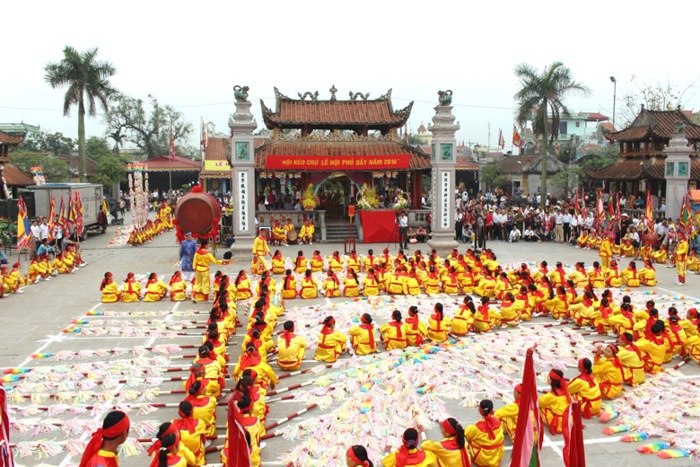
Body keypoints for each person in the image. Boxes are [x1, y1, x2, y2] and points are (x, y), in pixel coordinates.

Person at [464, 399, 505, 467]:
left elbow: (467, 435)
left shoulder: (476, 428)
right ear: (492, 410)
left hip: (484, 458)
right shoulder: (497, 421)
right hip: (497, 455)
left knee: (469, 440)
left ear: (480, 411)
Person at [171, 401, 207, 466]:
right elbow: (203, 438)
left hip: (182, 457)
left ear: (179, 412)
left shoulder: (173, 423)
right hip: (196, 456)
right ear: (192, 411)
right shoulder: (199, 423)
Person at [539, 369, 571, 435]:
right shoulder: (565, 390)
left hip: (560, 424)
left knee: (539, 407)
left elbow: (538, 402)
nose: (547, 378)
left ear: (551, 381)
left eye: (548, 377)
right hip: (569, 420)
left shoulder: (551, 395)